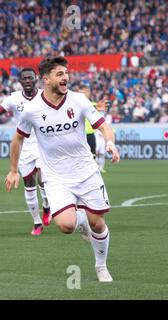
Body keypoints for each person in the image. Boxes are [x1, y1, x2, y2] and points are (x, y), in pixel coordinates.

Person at [5, 56, 120, 282]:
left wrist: (110, 143)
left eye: (66, 73)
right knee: (66, 225)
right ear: (45, 79)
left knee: (98, 222)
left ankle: (101, 266)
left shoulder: (79, 100)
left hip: (86, 171)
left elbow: (104, 126)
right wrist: (13, 170)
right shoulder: (32, 109)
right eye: (59, 74)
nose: (65, 77)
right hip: (56, 176)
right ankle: (82, 222)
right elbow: (17, 139)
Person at [0, 68, 51, 235]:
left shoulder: (46, 95)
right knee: (29, 184)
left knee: (43, 179)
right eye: (24, 78)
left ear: (36, 79)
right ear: (20, 81)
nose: (28, 80)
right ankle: (37, 222)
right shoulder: (14, 98)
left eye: (30, 77)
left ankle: (47, 205)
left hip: (43, 144)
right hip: (22, 146)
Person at [78, 84, 109, 173]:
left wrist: (100, 107)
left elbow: (97, 106)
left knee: (93, 153)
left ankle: (90, 170)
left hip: (90, 134)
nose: (85, 93)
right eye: (83, 92)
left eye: (86, 92)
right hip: (81, 135)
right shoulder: (77, 104)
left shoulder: (91, 104)